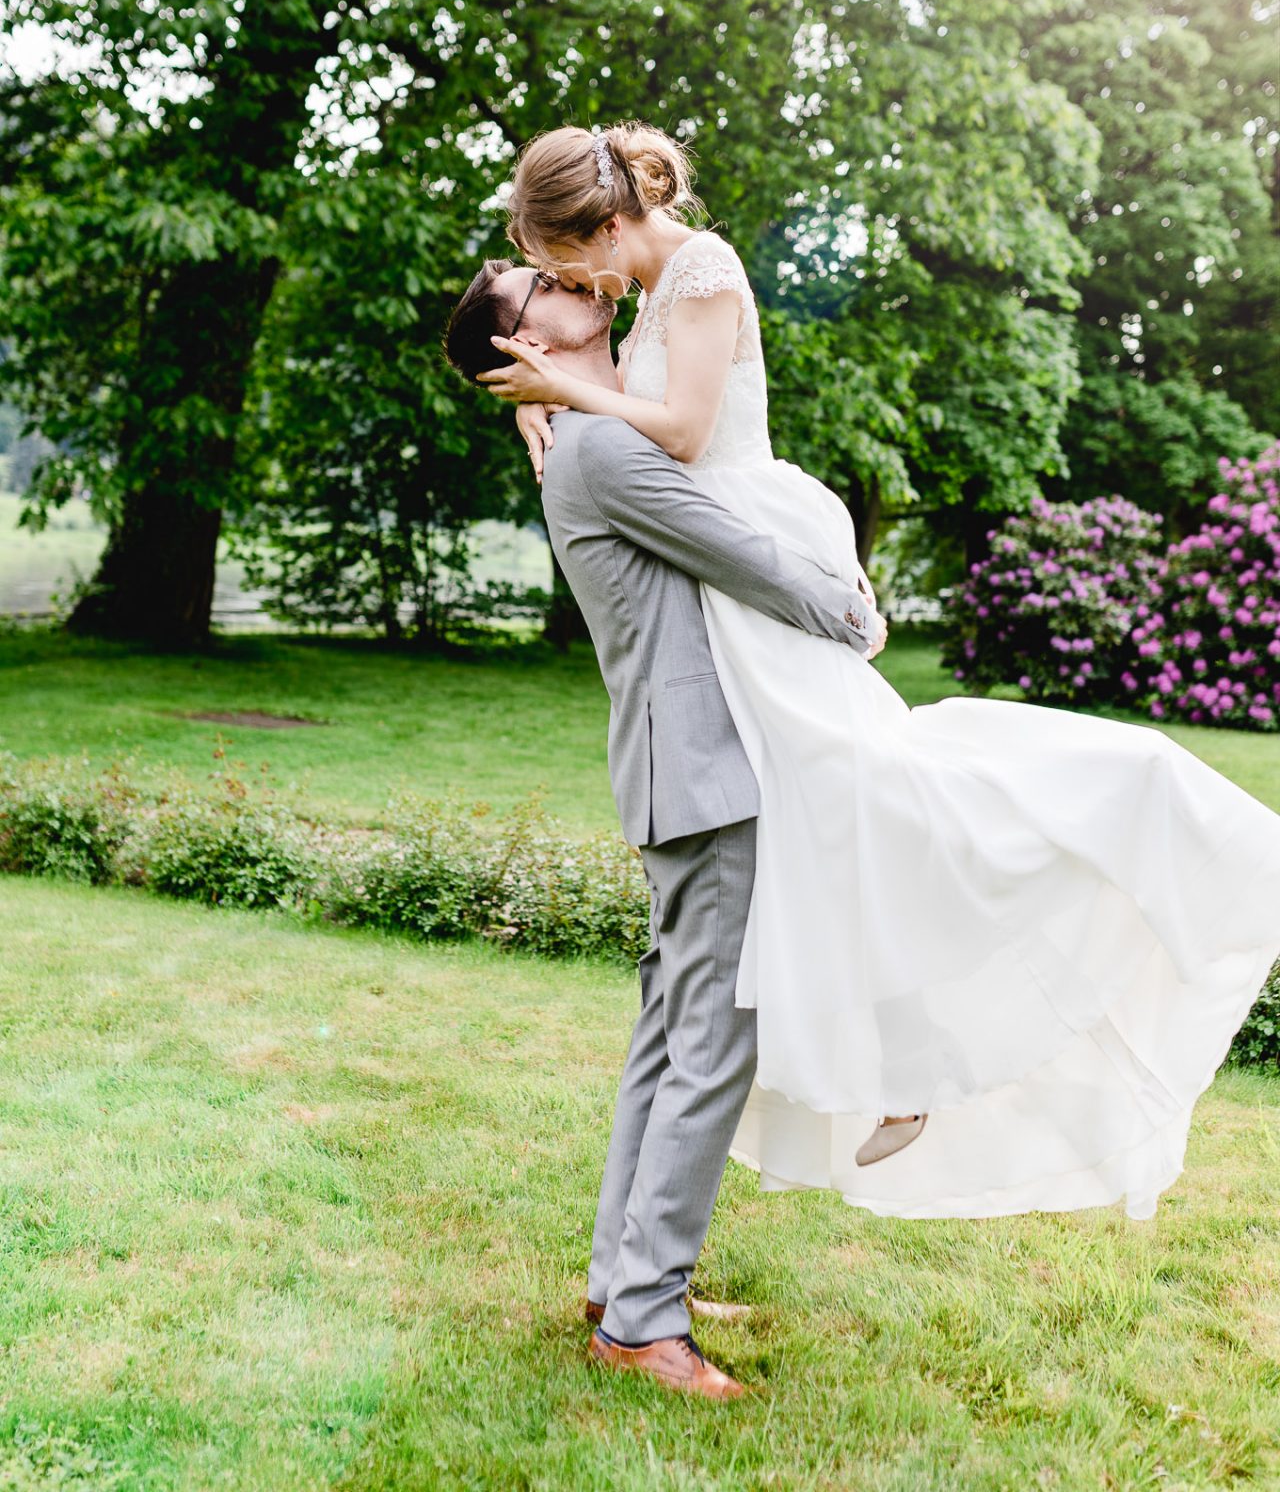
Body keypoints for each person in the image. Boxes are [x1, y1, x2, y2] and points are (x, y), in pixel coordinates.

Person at [472, 118, 1280, 1229]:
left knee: (874, 791)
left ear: (607, 223)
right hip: (725, 587)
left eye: (560, 258)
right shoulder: (629, 334)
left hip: (744, 542)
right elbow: (624, 445)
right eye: (548, 280)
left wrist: (568, 400)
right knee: (848, 807)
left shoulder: (696, 274)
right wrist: (547, 404)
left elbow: (681, 426)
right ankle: (895, 1067)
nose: (568, 280)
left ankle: (939, 1025)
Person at [444, 258, 884, 1399]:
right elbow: (732, 550)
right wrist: (846, 609)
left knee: (667, 1035)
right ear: (523, 344)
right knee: (710, 1042)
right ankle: (642, 1322)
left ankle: (621, 1281)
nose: (553, 274)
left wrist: (553, 404)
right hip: (702, 775)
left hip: (675, 769)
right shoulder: (597, 449)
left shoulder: (585, 432)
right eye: (525, 283)